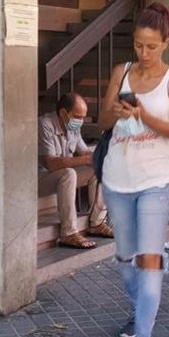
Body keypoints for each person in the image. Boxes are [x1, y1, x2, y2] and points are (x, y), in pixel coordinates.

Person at [99, 2, 169, 337]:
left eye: (152, 46)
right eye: (139, 45)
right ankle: (141, 314)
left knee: (148, 258)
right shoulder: (121, 72)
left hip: (157, 179)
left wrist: (144, 114)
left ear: (165, 43)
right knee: (125, 257)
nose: (144, 52)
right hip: (117, 177)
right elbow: (102, 120)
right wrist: (117, 112)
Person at [38, 93, 112, 249]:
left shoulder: (72, 126)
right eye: (78, 117)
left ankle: (97, 223)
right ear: (63, 113)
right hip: (38, 180)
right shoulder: (45, 125)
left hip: (62, 177)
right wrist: (87, 159)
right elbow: (51, 164)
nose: (81, 121)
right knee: (68, 173)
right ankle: (69, 233)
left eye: (84, 117)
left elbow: (84, 152)